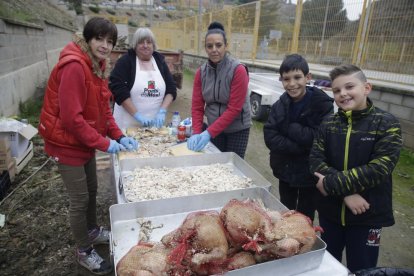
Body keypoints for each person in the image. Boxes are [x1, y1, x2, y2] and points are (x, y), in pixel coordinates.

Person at [38, 17, 138, 275]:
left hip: (83, 142)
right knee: (79, 198)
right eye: (99, 39)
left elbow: (104, 112)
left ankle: (92, 231)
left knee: (92, 189)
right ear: (87, 38)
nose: (105, 45)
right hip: (65, 142)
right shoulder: (75, 66)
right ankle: (83, 250)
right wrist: (105, 143)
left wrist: (117, 136)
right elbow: (72, 120)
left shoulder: (97, 66)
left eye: (109, 41)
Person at [309, 64, 402, 272]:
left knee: (363, 269)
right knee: (327, 266)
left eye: (349, 87)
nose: (343, 94)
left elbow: (379, 168)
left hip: (367, 215)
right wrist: (346, 193)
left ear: (366, 88)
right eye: (336, 90)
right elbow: (315, 162)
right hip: (330, 212)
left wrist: (331, 183)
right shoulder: (328, 123)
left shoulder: (386, 123)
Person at [263, 54, 334, 221]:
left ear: (308, 77)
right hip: (285, 170)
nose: (292, 84)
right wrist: (300, 147)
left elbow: (322, 137)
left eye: (297, 77)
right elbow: (270, 136)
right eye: (286, 79)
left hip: (310, 173)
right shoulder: (279, 105)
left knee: (305, 214)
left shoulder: (322, 105)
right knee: (285, 210)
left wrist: (291, 129)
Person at [187, 22, 251, 158]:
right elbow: (197, 106)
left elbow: (234, 108)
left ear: (226, 46)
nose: (214, 49)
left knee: (231, 165)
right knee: (214, 163)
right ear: (205, 48)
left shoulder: (238, 70)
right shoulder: (201, 72)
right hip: (214, 127)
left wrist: (208, 133)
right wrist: (197, 132)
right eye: (209, 46)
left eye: (219, 45)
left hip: (237, 129)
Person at [109, 27, 177, 129]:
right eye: (141, 42)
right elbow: (119, 91)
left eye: (149, 42)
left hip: (153, 127)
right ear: (135, 45)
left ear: (153, 45)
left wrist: (162, 111)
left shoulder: (160, 61)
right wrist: (138, 115)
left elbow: (171, 89)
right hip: (126, 126)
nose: (145, 46)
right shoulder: (125, 61)